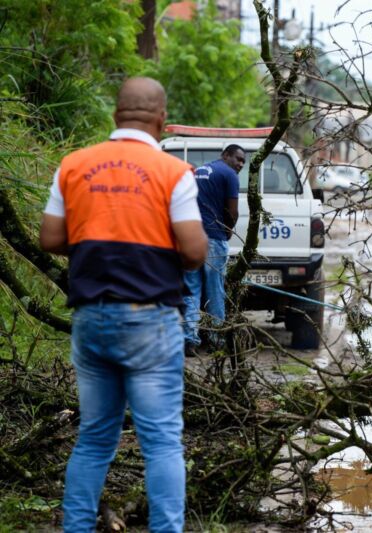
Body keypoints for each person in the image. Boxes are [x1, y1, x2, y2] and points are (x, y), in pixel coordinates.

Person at [39, 77, 207, 532]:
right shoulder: (173, 172)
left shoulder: (73, 165)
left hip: (91, 319)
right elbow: (194, 252)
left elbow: (51, 238)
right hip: (151, 320)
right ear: (161, 122)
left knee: (93, 438)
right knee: (161, 443)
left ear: (116, 117)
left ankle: (76, 527)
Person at [182, 144, 244, 353]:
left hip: (191, 237)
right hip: (213, 239)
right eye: (238, 159)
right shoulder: (229, 174)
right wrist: (227, 231)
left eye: (243, 161)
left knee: (191, 289)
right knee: (215, 290)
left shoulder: (198, 171)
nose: (241, 164)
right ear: (225, 156)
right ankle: (217, 341)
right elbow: (233, 212)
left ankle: (190, 340)